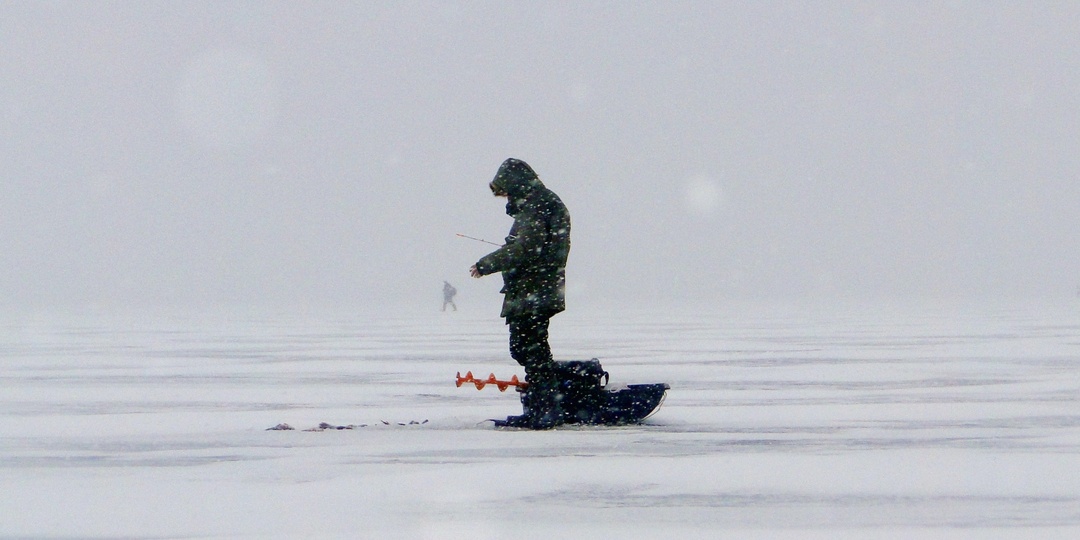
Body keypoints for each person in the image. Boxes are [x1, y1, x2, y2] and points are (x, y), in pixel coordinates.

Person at [470, 158, 571, 429]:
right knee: (527, 348)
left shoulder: (538, 206)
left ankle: (545, 410)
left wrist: (486, 264)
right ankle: (547, 404)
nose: (506, 198)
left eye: (506, 191)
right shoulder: (537, 203)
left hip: (534, 290)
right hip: (533, 289)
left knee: (531, 348)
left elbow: (525, 248)